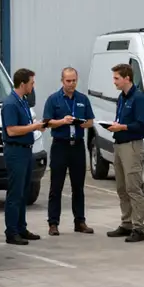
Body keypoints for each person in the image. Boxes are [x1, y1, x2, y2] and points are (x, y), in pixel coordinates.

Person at [42, 67, 95, 236]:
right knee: (56, 186)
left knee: (78, 186)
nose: (71, 84)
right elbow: (47, 122)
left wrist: (82, 123)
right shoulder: (54, 99)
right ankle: (53, 223)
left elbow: (90, 121)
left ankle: (80, 221)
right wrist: (62, 121)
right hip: (60, 145)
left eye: (74, 81)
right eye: (68, 81)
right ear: (62, 81)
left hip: (77, 146)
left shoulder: (82, 99)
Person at [106, 63, 144, 242]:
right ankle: (126, 223)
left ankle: (139, 227)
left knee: (133, 187)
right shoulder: (121, 98)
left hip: (132, 146)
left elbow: (143, 126)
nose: (114, 82)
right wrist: (115, 126)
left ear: (127, 78)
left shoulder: (140, 99)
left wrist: (122, 127)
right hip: (119, 144)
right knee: (122, 188)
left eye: (117, 78)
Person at [1, 68, 45, 245]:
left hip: (26, 150)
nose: (33, 86)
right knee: (15, 192)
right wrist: (33, 127)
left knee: (24, 191)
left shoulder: (23, 102)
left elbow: (25, 124)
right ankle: (11, 231)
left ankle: (21, 227)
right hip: (15, 151)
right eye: (31, 83)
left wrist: (37, 125)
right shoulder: (11, 103)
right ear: (23, 83)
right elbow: (11, 130)